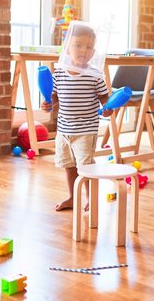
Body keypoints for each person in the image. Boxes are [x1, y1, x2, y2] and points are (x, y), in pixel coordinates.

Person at [42, 25, 112, 211]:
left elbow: (105, 98)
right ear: (68, 48)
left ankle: (91, 198)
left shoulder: (95, 75)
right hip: (63, 130)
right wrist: (48, 102)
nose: (83, 50)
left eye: (88, 47)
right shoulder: (58, 74)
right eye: (78, 45)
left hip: (86, 131)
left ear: (94, 52)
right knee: (69, 165)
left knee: (86, 166)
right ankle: (73, 197)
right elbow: (54, 97)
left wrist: (107, 108)